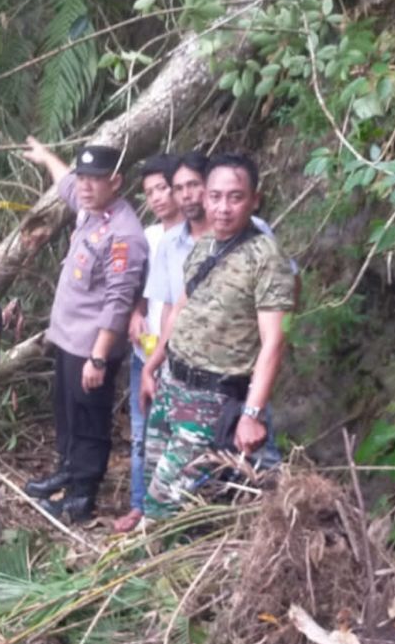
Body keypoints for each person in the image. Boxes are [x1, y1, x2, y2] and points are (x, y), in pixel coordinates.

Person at [139, 153, 297, 518]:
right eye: (215, 196)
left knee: (170, 504)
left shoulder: (266, 258)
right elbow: (181, 307)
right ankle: (167, 562)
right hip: (171, 385)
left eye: (235, 197)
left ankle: (162, 564)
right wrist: (153, 364)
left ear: (254, 200)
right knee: (155, 490)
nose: (222, 207)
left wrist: (253, 413)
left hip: (213, 400)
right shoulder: (205, 245)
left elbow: (274, 340)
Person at [18, 137, 147, 523]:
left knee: (89, 421)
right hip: (68, 341)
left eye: (97, 179)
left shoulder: (124, 235)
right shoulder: (91, 209)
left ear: (117, 182)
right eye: (84, 177)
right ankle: (67, 471)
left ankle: (81, 496)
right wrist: (45, 158)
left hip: (93, 346)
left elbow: (119, 303)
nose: (86, 186)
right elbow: (66, 183)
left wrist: (98, 357)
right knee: (68, 413)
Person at [112, 152, 185, 534]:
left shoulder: (194, 235)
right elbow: (145, 288)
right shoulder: (150, 236)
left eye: (163, 188)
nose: (157, 198)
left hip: (179, 356)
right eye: (150, 192)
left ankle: (173, 510)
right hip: (145, 351)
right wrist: (136, 312)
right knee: (141, 433)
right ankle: (140, 504)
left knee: (175, 434)